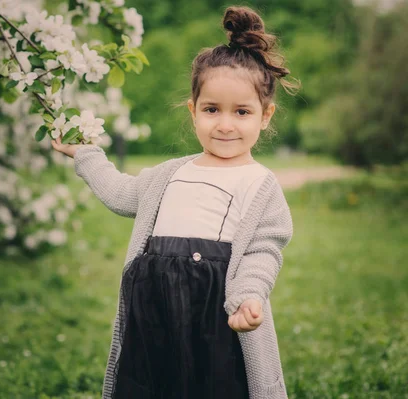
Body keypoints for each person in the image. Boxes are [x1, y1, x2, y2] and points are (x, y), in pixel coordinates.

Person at [52, 5, 301, 399]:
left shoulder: (260, 184)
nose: (225, 124)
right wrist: (87, 156)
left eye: (242, 112)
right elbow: (120, 194)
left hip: (216, 315)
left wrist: (249, 295)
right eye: (211, 109)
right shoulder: (169, 174)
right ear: (193, 110)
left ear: (265, 116)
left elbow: (263, 250)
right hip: (153, 312)